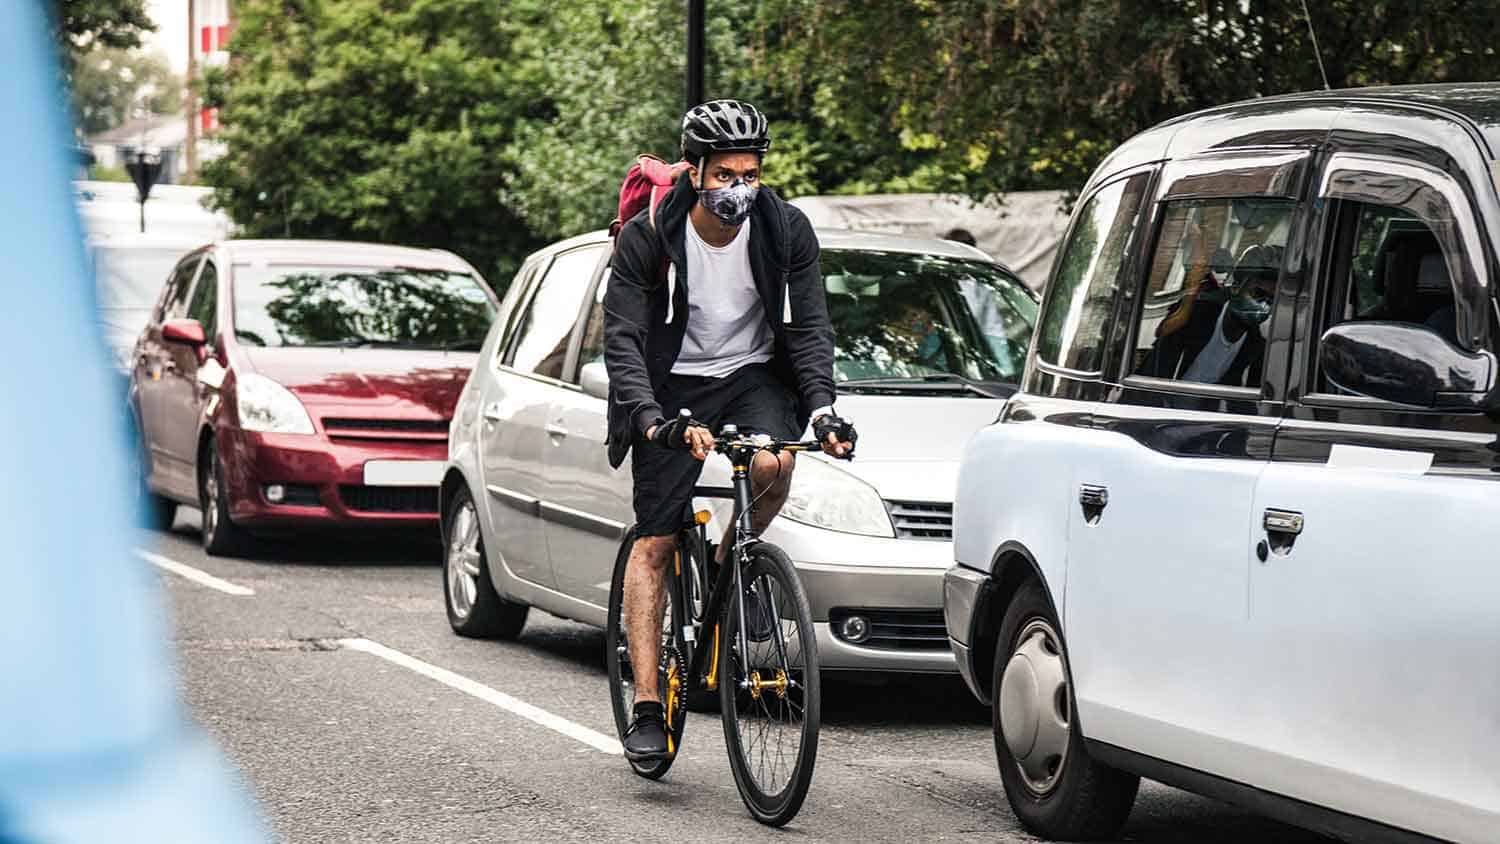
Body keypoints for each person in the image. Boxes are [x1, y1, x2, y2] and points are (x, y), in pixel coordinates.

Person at [604, 99, 857, 762]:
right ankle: (649, 704)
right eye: (725, 175)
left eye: (749, 173)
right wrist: (652, 421)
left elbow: (808, 328)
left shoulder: (784, 229)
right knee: (655, 543)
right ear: (696, 172)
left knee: (775, 464)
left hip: (749, 376)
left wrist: (823, 407)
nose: (738, 188)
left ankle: (733, 562)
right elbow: (624, 338)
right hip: (668, 382)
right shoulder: (650, 237)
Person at [1142, 243, 1281, 388]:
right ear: (1235, 288)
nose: (1264, 306)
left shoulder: (1255, 345)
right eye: (1258, 294)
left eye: (1272, 300)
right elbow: (1152, 376)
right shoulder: (1193, 316)